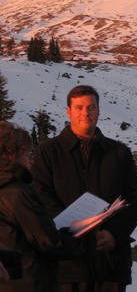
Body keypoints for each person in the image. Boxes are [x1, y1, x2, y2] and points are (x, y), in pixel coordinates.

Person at [31, 85, 137, 292]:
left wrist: (114, 234)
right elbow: (41, 196)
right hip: (66, 265)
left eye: (91, 107)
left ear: (99, 110)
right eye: (79, 107)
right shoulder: (48, 152)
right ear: (68, 111)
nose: (86, 113)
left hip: (110, 264)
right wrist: (71, 230)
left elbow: (134, 198)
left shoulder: (119, 152)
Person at [0, 121, 98, 292]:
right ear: (11, 155)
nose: (29, 160)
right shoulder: (18, 194)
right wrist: (88, 242)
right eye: (25, 154)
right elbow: (48, 242)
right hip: (30, 281)